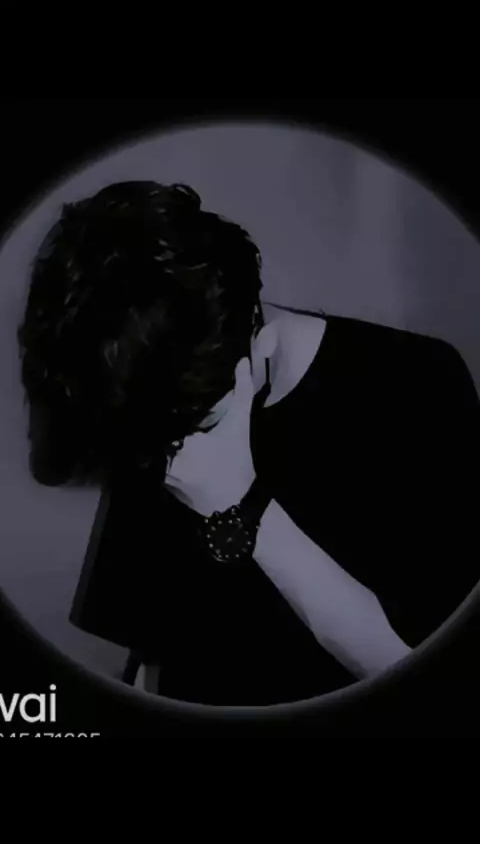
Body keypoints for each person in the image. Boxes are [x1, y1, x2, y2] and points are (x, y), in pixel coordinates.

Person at [17, 181, 480, 706]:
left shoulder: (421, 386)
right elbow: (152, 652)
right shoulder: (139, 380)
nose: (173, 453)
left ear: (253, 334)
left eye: (195, 426)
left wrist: (241, 501)